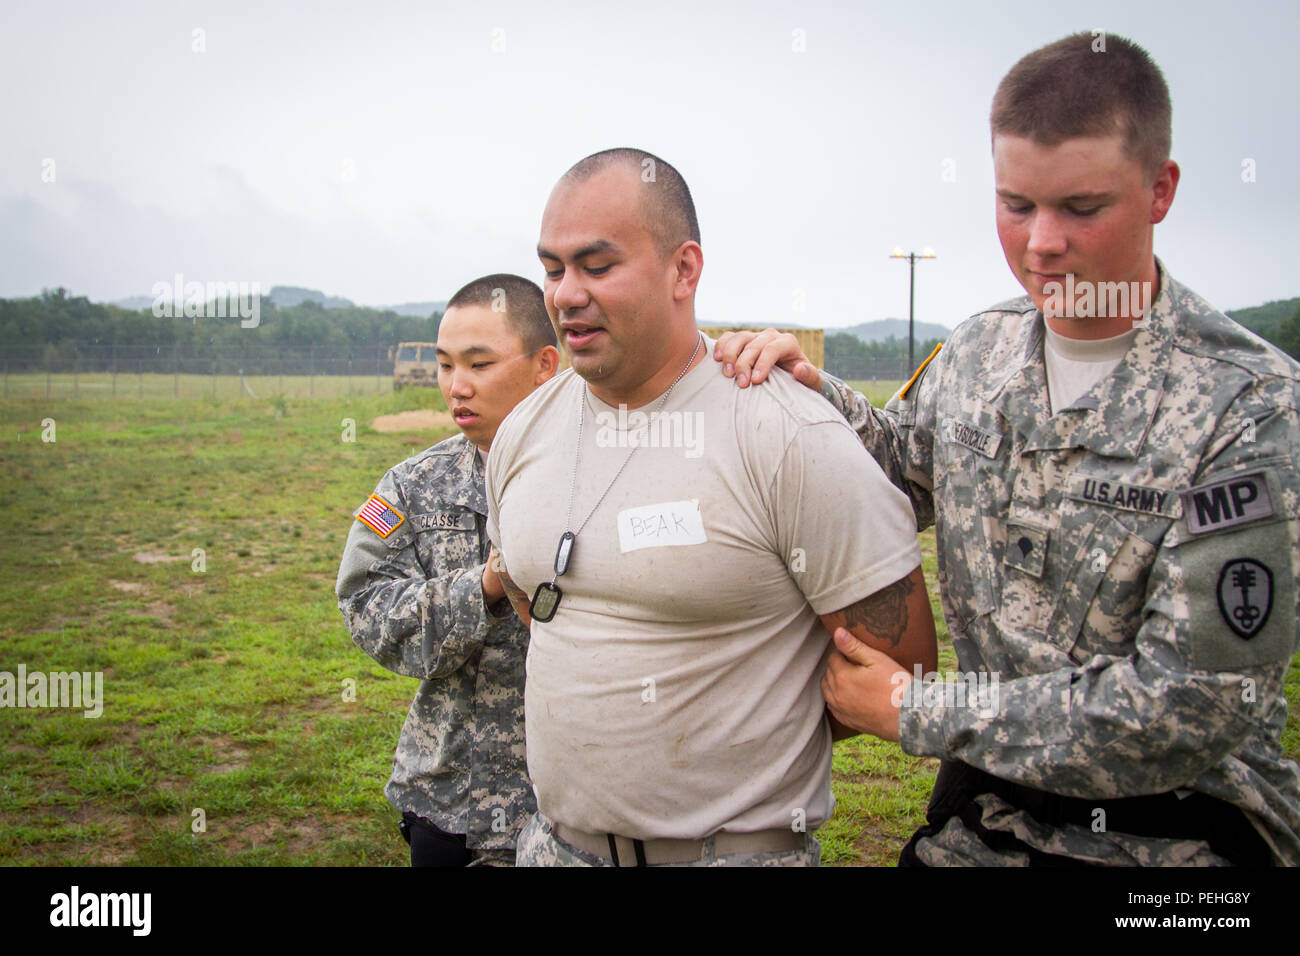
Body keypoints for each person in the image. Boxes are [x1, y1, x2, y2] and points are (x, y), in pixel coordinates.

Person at [714, 32, 1300, 866]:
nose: (1041, 243)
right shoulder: (979, 353)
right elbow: (897, 471)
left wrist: (918, 709)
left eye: (1082, 207)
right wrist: (816, 389)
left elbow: (1195, 706)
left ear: (1160, 190)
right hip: (989, 816)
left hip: (1184, 833)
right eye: (1016, 205)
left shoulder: (1247, 404)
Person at [485, 147, 939, 867]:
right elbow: (538, 603)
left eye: (597, 266)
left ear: (683, 270)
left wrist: (750, 716)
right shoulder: (522, 432)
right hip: (553, 850)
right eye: (552, 268)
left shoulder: (785, 432)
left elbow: (901, 664)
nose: (566, 294)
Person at [336, 273, 559, 866]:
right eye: (445, 365)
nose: (456, 386)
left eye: (479, 364)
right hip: (452, 801)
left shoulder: (602, 478)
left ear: (545, 366)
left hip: (573, 809)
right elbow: (366, 608)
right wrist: (482, 588)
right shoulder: (413, 486)